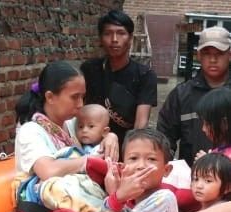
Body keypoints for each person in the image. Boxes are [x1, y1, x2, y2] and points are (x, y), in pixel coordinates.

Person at [15, 61, 119, 182]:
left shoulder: (73, 123)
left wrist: (111, 137)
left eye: (82, 97)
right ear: (50, 97)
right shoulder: (30, 131)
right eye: (74, 97)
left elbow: (97, 134)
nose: (80, 104)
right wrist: (89, 160)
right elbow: (48, 171)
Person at [83, 128, 178, 212]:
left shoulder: (164, 198)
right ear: (122, 167)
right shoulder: (124, 203)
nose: (141, 166)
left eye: (151, 159)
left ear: (166, 170)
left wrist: (117, 196)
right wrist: (116, 198)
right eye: (133, 158)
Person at [80, 10, 158, 146]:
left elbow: (140, 124)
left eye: (121, 33)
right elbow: (78, 108)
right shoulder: (89, 69)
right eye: (108, 33)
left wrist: (131, 153)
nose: (114, 39)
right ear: (100, 38)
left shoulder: (145, 75)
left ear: (130, 38)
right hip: (89, 146)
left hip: (124, 146)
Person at [157, 26, 231, 167]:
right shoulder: (182, 94)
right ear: (198, 55)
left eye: (219, 54)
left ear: (230, 55)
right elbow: (164, 137)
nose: (213, 59)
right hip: (193, 180)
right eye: (207, 53)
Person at [195, 87, 231, 160]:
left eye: (207, 124)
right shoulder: (220, 148)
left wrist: (207, 163)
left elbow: (223, 170)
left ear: (224, 123)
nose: (203, 129)